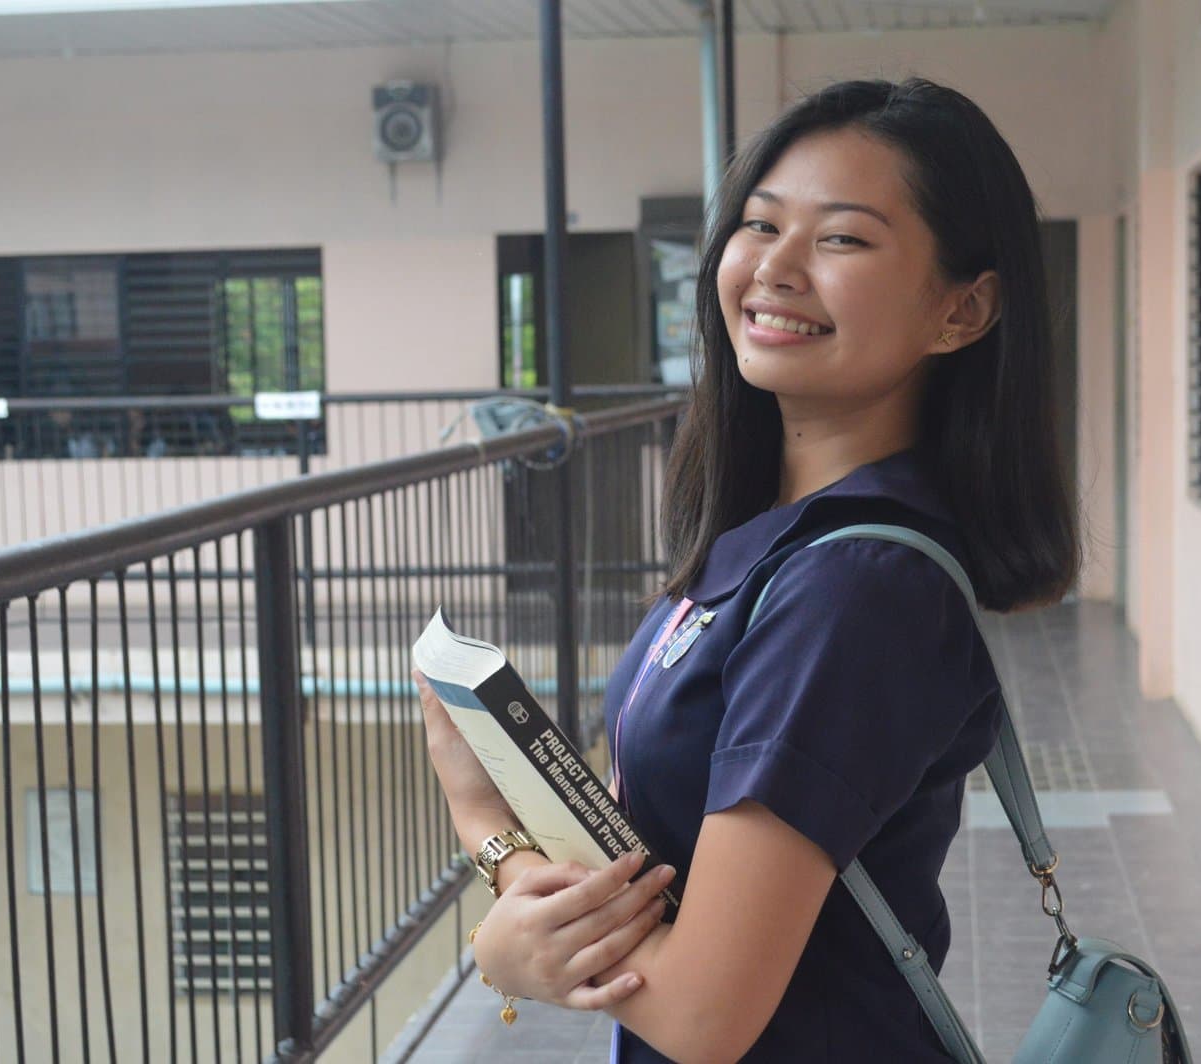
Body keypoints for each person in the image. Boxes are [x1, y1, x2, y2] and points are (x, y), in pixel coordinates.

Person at [414, 77, 1081, 1062]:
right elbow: (664, 859)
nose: (774, 266)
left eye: (841, 238)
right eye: (758, 225)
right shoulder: (777, 540)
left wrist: (489, 832)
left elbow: (699, 1013)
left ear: (962, 309)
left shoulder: (849, 592)